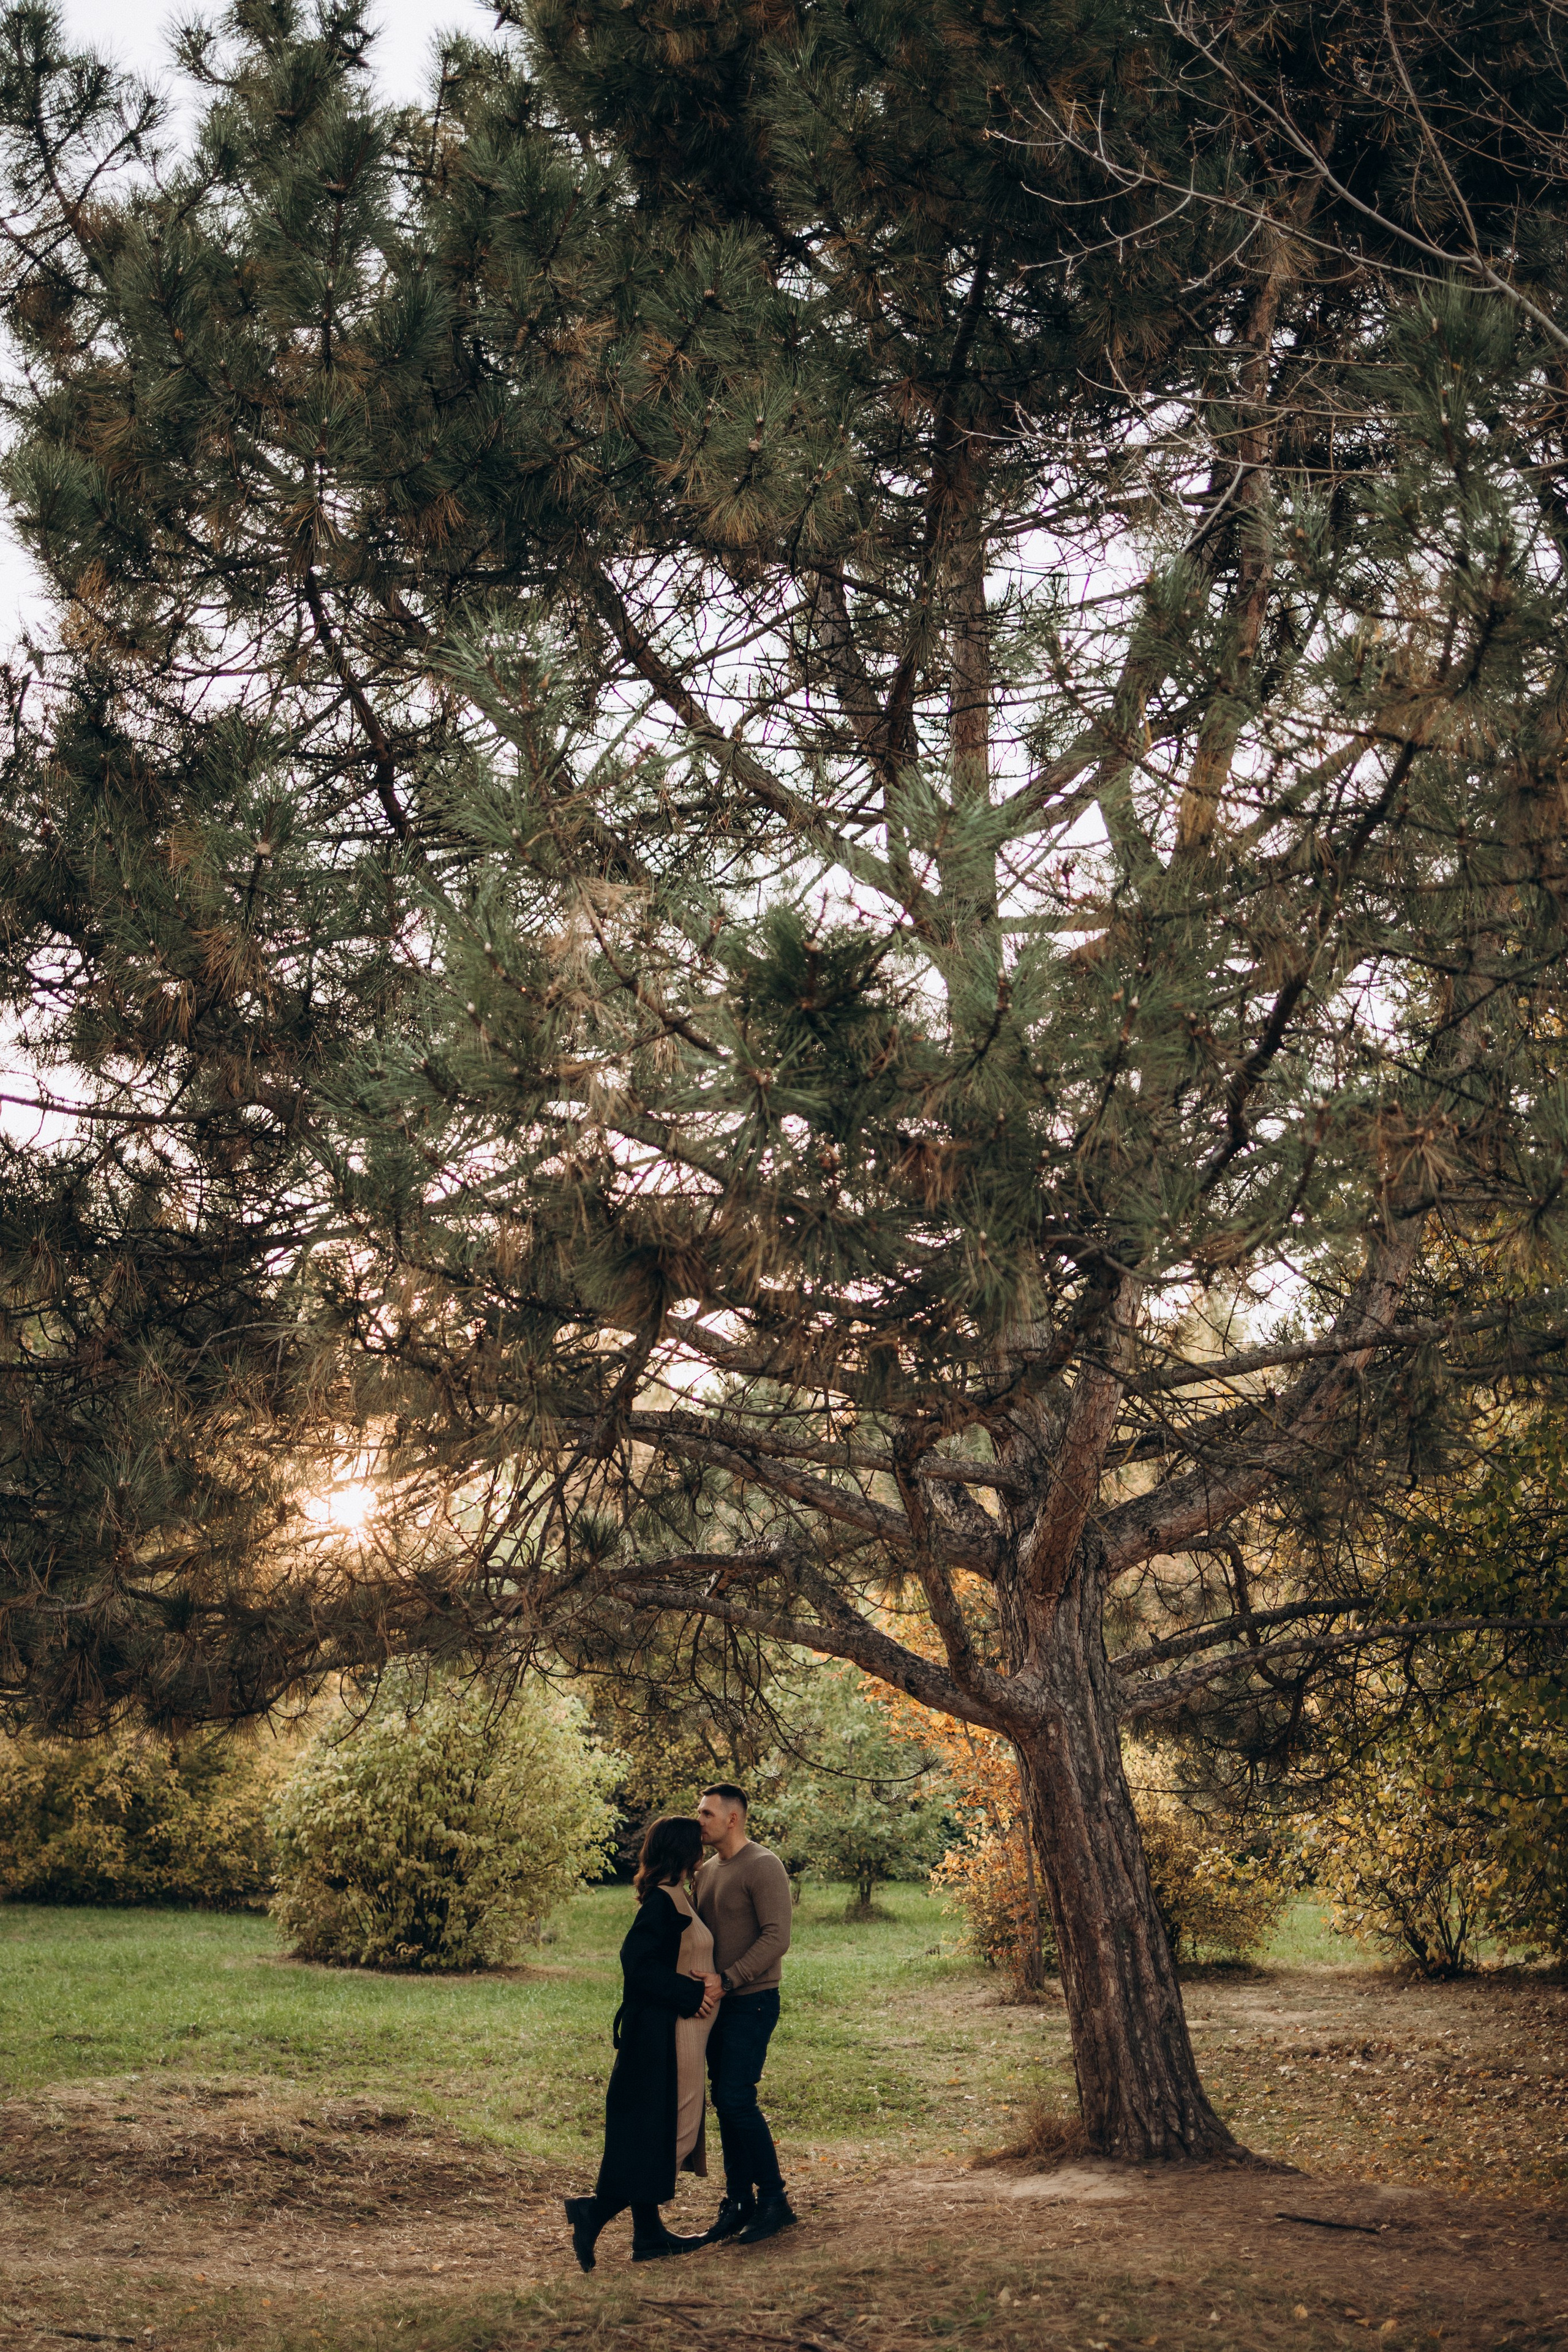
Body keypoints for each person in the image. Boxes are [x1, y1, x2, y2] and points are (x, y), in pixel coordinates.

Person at [564, 1815, 723, 2271]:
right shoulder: (661, 1902)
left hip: (676, 2036)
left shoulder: (679, 1895)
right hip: (661, 2037)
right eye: (698, 1843)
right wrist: (690, 1995)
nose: (704, 1849)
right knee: (669, 2133)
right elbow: (636, 1963)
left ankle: (649, 2235)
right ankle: (594, 2212)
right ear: (684, 1851)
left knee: (655, 2130)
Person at [693, 1782, 797, 2247]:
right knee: (725, 2100)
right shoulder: (705, 1872)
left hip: (752, 1999)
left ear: (732, 1818)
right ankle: (738, 2202)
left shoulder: (763, 1865)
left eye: (706, 1813)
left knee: (736, 2098)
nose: (699, 1820)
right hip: (715, 2004)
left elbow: (777, 1937)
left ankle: (775, 2201)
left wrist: (729, 1979)